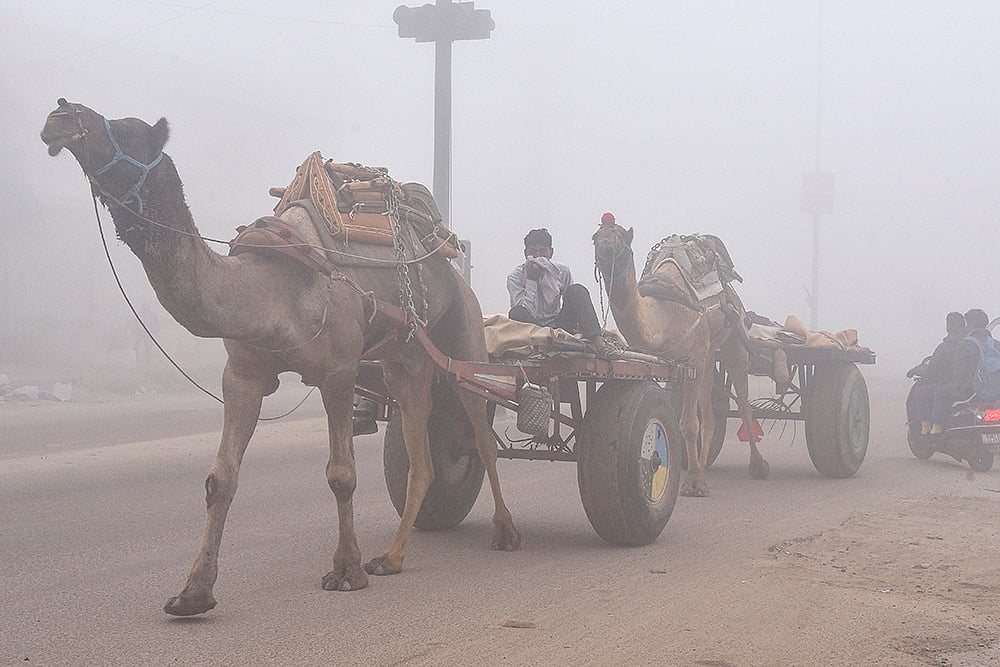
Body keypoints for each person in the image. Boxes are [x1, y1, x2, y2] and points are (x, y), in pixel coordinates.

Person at [507, 227, 605, 351]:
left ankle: (597, 341)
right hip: (531, 329)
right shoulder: (515, 277)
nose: (538, 256)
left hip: (558, 328)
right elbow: (524, 311)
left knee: (577, 290)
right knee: (516, 312)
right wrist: (531, 280)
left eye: (543, 251)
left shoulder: (562, 272)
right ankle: (547, 342)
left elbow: (573, 301)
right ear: (526, 254)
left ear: (551, 253)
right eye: (533, 252)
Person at [929, 308, 994, 434]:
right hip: (992, 389)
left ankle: (936, 429)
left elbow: (958, 373)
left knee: (939, 391)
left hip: (969, 389)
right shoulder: (995, 344)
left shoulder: (964, 345)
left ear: (970, 324)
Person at [906, 311, 966, 435]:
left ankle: (928, 428)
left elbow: (932, 369)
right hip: (972, 387)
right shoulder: (973, 343)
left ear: (948, 327)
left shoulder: (945, 347)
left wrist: (915, 371)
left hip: (953, 386)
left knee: (921, 392)